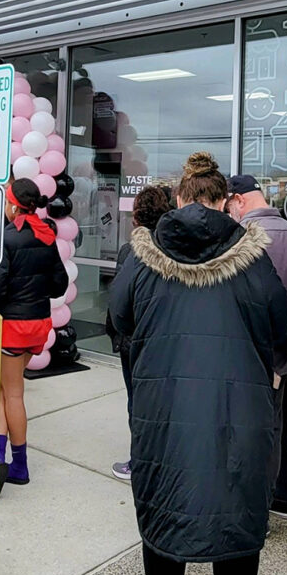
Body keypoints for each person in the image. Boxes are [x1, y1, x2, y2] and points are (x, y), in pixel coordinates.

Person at [109, 152, 287, 575]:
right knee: (237, 505)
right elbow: (285, 326)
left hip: (160, 407)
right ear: (223, 202)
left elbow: (117, 318)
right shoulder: (254, 258)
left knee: (163, 498)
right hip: (240, 408)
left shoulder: (141, 257)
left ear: (182, 199)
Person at [227, 174, 287, 520]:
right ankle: (284, 497)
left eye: (229, 206)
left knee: (259, 432)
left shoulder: (245, 237)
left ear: (239, 200)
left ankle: (257, 507)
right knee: (284, 425)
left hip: (259, 351)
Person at [0, 179, 69, 494]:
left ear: (12, 204)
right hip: (38, 325)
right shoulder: (48, 236)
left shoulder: (6, 238)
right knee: (5, 389)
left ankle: (11, 463)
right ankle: (4, 460)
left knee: (9, 394)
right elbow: (59, 285)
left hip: (12, 326)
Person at [105, 184, 172, 480]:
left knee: (138, 402)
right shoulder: (175, 249)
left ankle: (140, 462)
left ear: (136, 218)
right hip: (165, 340)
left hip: (135, 341)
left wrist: (120, 334)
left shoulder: (130, 251)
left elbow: (118, 304)